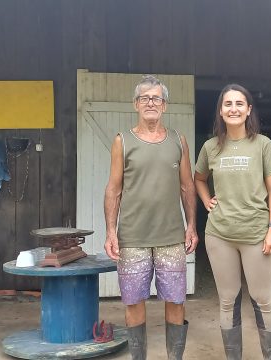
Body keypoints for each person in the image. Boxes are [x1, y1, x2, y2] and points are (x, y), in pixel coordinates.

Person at [103, 75, 198, 360]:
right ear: (136, 104)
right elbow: (114, 189)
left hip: (172, 236)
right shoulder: (123, 140)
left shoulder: (177, 140)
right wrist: (110, 231)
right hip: (132, 238)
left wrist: (191, 225)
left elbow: (187, 185)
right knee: (133, 301)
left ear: (165, 105)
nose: (151, 103)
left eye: (156, 98)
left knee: (176, 299)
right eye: (145, 98)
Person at [195, 84, 271, 360]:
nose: (233, 109)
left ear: (248, 110)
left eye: (239, 103)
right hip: (219, 234)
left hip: (257, 233)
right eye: (227, 104)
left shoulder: (263, 144)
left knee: (263, 299)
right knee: (227, 299)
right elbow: (198, 178)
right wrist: (206, 199)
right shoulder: (210, 147)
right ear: (220, 111)